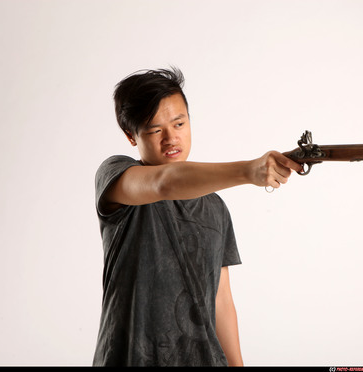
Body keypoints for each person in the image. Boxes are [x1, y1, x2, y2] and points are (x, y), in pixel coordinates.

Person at [93, 67, 301, 366]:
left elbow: (220, 300)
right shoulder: (116, 175)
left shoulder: (215, 207)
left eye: (179, 123)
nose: (171, 138)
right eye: (154, 130)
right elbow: (163, 182)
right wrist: (247, 171)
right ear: (131, 135)